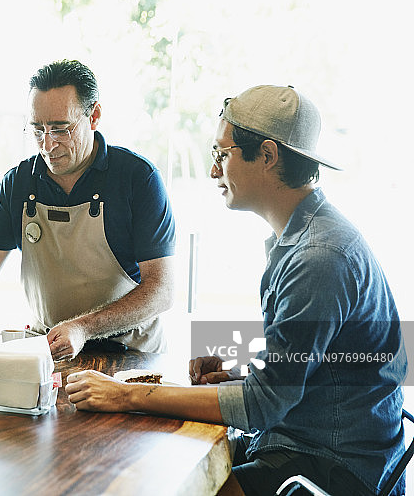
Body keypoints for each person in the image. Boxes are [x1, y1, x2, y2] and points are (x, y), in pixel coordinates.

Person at [65, 85, 406, 496]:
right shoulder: (307, 237)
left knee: (166, 485)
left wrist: (126, 395)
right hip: (303, 441)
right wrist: (240, 376)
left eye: (222, 155)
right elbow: (305, 372)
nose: (213, 171)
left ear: (267, 156)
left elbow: (264, 404)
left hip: (331, 468)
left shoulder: (319, 258)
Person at [0, 59, 176, 359]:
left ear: (94, 115)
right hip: (50, 352)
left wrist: (84, 328)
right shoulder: (17, 185)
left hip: (132, 355)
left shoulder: (138, 178)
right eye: (37, 130)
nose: (47, 145)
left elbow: (161, 290)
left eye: (61, 129)